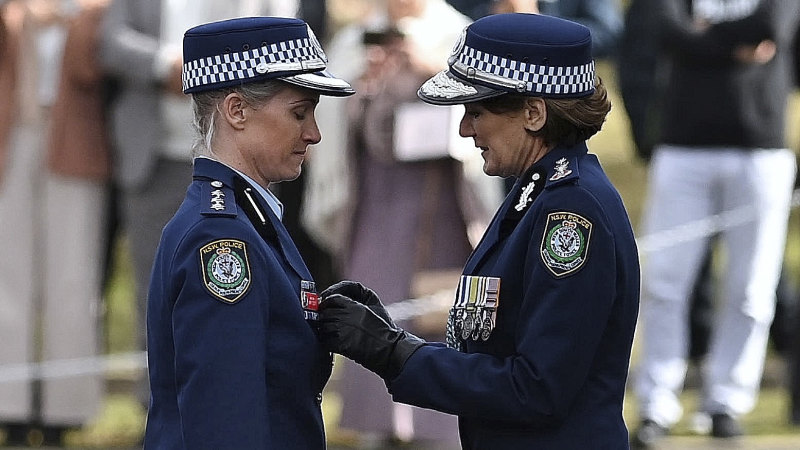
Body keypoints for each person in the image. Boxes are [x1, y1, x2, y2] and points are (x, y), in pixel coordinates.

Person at [319, 12, 640, 449]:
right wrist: (394, 341)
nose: (466, 128)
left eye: (478, 111)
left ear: (533, 112)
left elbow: (537, 388)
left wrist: (397, 354)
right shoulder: (537, 193)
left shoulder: (570, 211)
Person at [143, 16, 354, 449]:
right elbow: (226, 416)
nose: (313, 133)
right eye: (299, 112)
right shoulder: (221, 239)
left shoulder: (249, 219)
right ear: (237, 111)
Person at [98, 0, 301, 411]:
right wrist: (164, 66)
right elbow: (108, 41)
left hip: (243, 164)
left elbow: (288, 47)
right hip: (154, 159)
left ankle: (252, 404)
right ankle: (156, 411)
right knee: (153, 296)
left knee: (256, 295)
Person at [631, 1, 800, 447]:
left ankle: (726, 401)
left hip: (760, 149)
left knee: (751, 290)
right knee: (666, 283)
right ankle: (655, 403)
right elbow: (666, 31)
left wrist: (703, 37)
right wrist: (736, 40)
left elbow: (774, 25)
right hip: (683, 148)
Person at [0, 0, 109, 445]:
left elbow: (96, 65)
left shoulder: (96, 10)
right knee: (7, 278)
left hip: (75, 141)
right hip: (12, 138)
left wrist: (71, 17)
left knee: (73, 279)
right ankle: (9, 406)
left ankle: (66, 409)